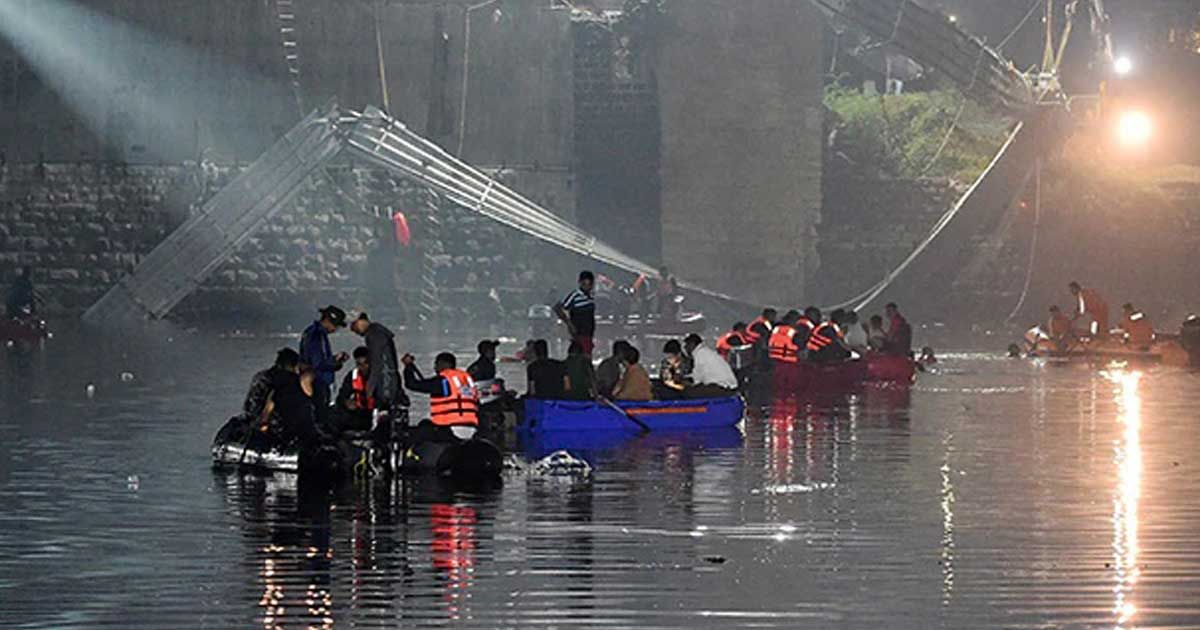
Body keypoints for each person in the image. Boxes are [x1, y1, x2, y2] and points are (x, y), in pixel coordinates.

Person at [402, 352, 480, 440]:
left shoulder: (443, 381)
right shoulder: (467, 381)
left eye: (437, 364)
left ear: (445, 364)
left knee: (421, 429)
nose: (435, 367)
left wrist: (408, 366)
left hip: (449, 428)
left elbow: (412, 384)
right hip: (472, 427)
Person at [299, 306, 349, 427]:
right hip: (318, 382)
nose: (335, 329)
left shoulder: (310, 332)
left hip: (311, 380)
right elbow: (318, 363)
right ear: (329, 321)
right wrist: (336, 362)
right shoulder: (318, 335)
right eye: (336, 326)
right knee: (320, 415)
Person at [350, 312, 404, 411]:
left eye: (354, 326)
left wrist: (369, 388)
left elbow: (377, 363)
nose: (356, 331)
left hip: (384, 380)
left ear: (362, 321)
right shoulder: (378, 333)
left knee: (385, 407)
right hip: (388, 378)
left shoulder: (374, 335)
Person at [239, 348, 302, 428]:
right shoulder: (287, 381)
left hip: (253, 421)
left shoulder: (261, 376)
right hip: (268, 424)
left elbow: (249, 407)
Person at [555, 271, 597, 356]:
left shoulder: (591, 297)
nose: (587, 287)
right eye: (585, 284)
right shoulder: (575, 295)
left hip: (588, 333)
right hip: (579, 333)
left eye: (590, 284)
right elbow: (558, 308)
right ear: (580, 283)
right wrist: (569, 324)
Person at [334, 347, 374, 432]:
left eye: (366, 363)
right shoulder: (352, 376)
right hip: (359, 412)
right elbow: (341, 396)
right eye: (359, 364)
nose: (363, 367)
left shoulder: (378, 375)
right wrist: (346, 402)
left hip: (376, 411)